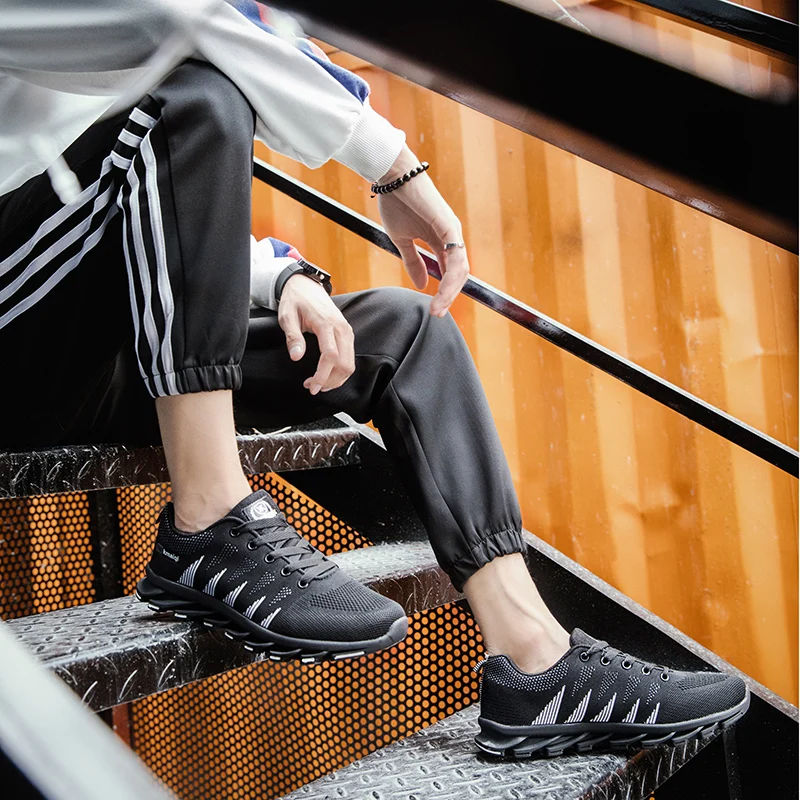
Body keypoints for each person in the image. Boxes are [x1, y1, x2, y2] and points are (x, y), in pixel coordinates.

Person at [0, 0, 748, 759]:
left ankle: (537, 662)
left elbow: (145, 187)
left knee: (405, 329)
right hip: (21, 345)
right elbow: (177, 27)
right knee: (193, 91)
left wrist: (278, 276)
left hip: (120, 339)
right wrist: (394, 168)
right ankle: (209, 519)